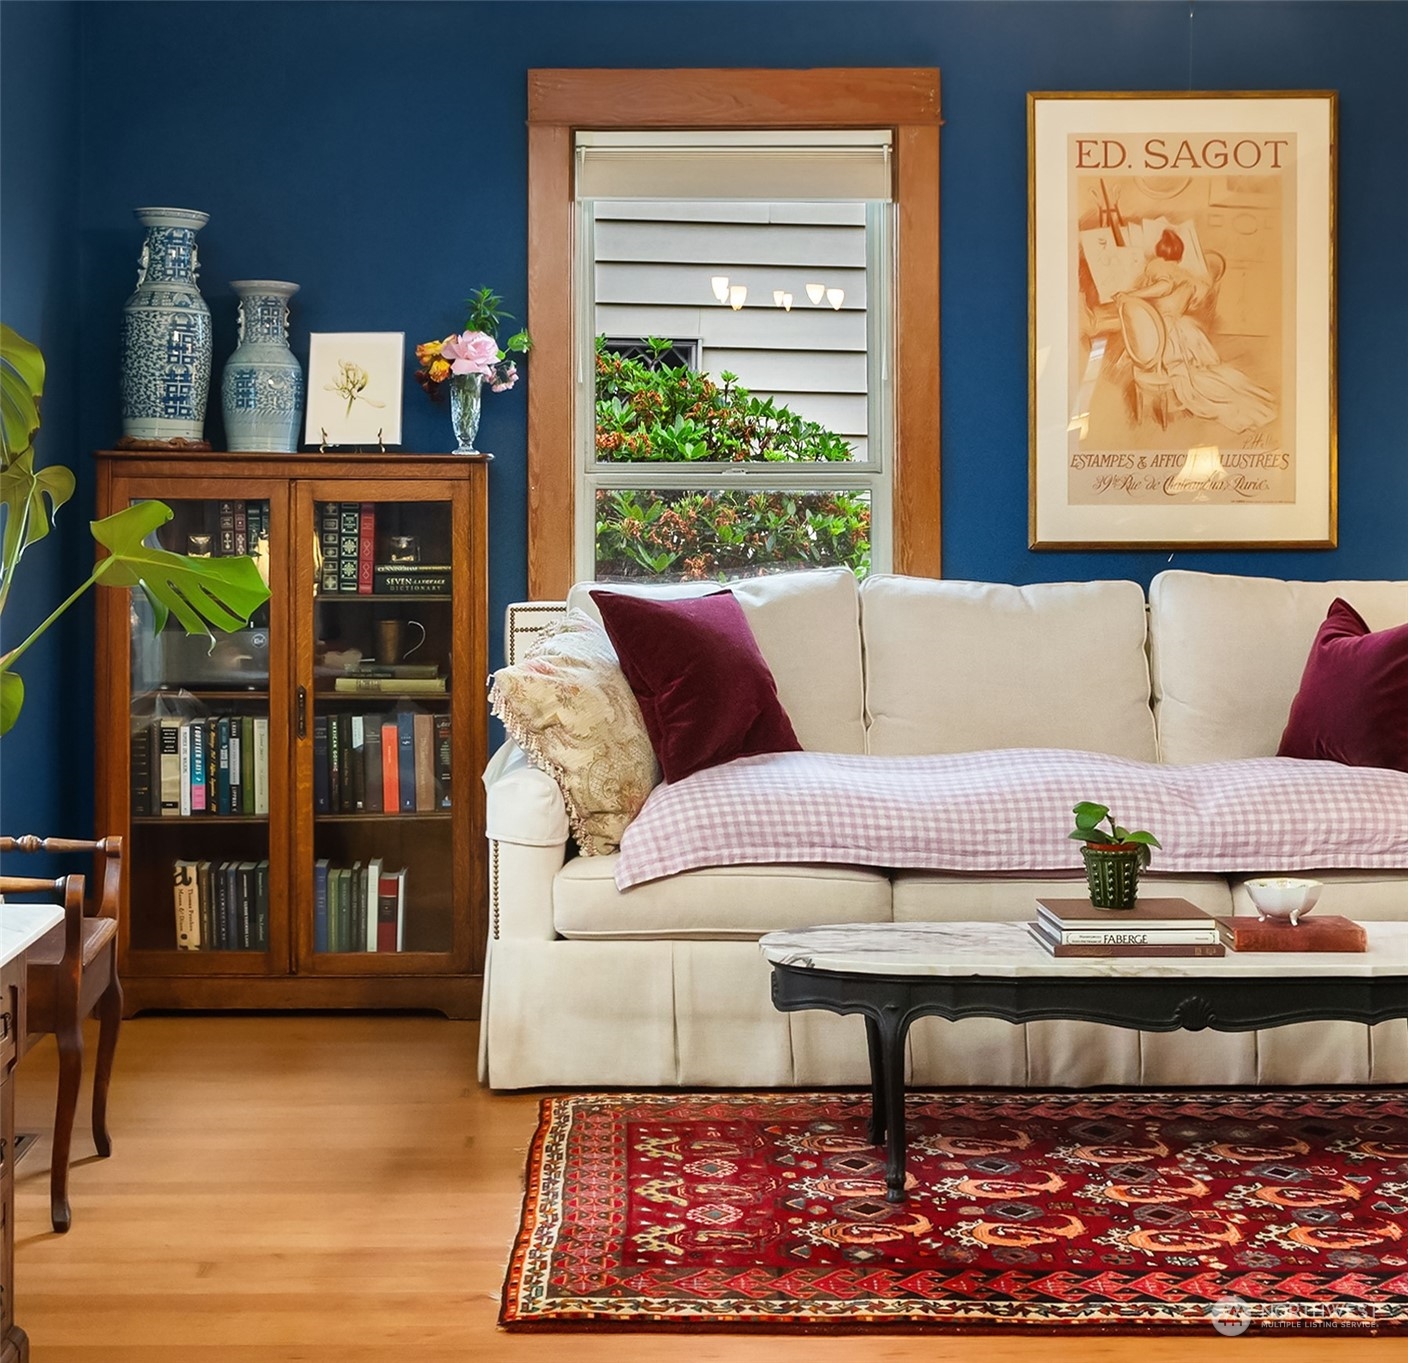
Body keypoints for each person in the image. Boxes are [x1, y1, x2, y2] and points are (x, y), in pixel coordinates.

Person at [1116, 228, 1275, 435]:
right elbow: (1184, 302)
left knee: (1176, 367)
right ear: (1180, 254)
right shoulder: (1187, 276)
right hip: (1181, 329)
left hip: (1166, 332)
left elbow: (1164, 286)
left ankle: (1160, 374)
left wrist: (1131, 294)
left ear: (1160, 251)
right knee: (1200, 369)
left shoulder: (1157, 265)